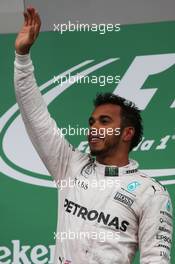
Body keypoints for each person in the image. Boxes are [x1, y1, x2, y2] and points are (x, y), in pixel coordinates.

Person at [14, 6, 173, 264]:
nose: (94, 127)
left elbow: (156, 260)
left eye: (105, 121)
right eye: (92, 121)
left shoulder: (151, 192)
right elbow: (36, 117)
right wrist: (22, 57)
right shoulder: (70, 167)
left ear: (127, 133)